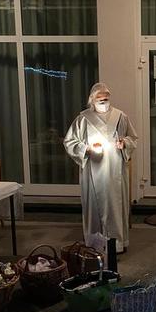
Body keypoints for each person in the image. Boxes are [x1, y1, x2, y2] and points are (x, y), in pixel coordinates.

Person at [64, 82, 137, 253]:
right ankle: (95, 243)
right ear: (92, 100)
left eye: (106, 99)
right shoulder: (83, 119)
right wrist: (86, 148)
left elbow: (132, 137)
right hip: (93, 170)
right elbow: (69, 141)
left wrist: (123, 143)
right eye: (100, 99)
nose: (103, 102)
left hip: (115, 170)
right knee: (94, 207)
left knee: (115, 206)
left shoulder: (120, 117)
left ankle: (117, 243)